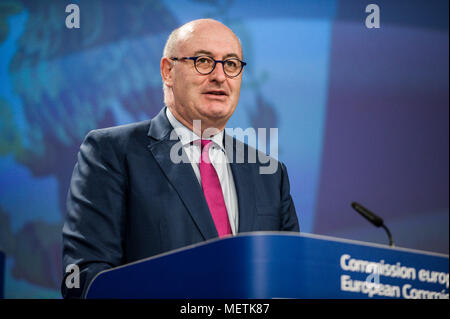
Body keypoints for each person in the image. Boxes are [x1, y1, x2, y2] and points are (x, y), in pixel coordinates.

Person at [62, 18, 299, 299]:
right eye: (203, 61)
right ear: (168, 71)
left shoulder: (270, 173)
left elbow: (293, 277)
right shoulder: (111, 152)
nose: (220, 76)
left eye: (231, 64)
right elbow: (86, 278)